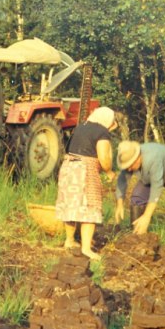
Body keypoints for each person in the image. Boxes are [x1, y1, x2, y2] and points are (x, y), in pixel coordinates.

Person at [55, 107, 118, 260]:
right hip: (85, 170)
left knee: (71, 204)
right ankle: (86, 249)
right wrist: (109, 172)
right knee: (90, 206)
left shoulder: (81, 127)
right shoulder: (102, 132)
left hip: (68, 167)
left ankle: (69, 241)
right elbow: (104, 157)